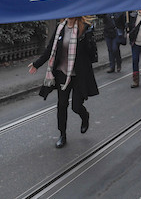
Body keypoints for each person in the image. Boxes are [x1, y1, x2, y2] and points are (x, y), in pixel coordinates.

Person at [29, 16, 99, 148]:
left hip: (78, 75)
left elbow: (91, 54)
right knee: (62, 106)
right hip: (62, 73)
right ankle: (62, 134)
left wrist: (88, 39)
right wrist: (36, 64)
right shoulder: (60, 28)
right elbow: (50, 49)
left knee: (76, 106)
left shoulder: (84, 29)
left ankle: (85, 116)